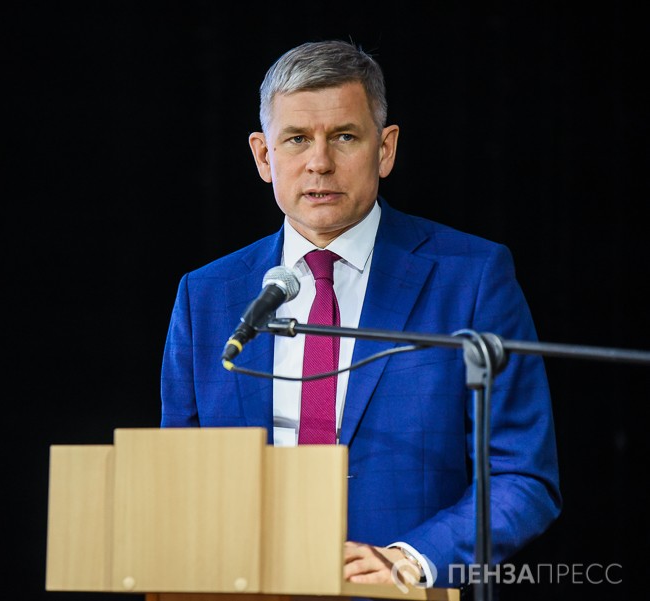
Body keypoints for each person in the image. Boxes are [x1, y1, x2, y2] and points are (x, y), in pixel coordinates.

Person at [160, 40, 561, 589]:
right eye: (297, 139)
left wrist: (415, 559)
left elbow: (522, 475)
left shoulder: (471, 277)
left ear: (385, 149)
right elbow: (178, 475)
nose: (319, 162)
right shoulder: (207, 296)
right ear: (263, 156)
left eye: (344, 136)